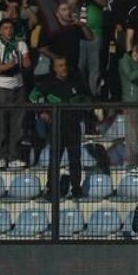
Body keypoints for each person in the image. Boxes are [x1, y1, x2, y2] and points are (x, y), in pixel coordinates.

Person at [29, 56, 87, 199]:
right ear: (55, 69)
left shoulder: (76, 83)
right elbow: (32, 97)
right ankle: (51, 188)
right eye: (60, 66)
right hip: (56, 129)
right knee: (55, 160)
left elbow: (85, 98)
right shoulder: (48, 84)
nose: (64, 68)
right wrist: (41, 112)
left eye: (65, 65)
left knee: (75, 160)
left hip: (73, 128)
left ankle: (76, 188)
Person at [0, 18, 31, 169]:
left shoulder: (20, 44)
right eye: (5, 28)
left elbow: (27, 63)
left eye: (11, 27)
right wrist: (10, 65)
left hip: (18, 88)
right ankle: (0, 156)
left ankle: (14, 156)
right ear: (0, 31)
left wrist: (21, 58)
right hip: (1, 88)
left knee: (17, 125)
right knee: (1, 124)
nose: (9, 30)